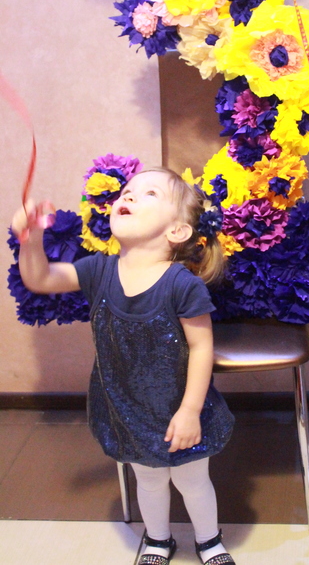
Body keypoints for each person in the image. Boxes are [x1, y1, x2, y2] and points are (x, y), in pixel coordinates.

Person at [12, 167, 236, 565]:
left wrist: (190, 410)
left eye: (149, 194)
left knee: (191, 479)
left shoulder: (182, 284)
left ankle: (209, 541)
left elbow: (202, 348)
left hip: (179, 408)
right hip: (127, 407)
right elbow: (41, 278)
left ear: (177, 231)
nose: (128, 196)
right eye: (128, 191)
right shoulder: (98, 270)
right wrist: (31, 239)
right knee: (148, 479)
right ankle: (158, 540)